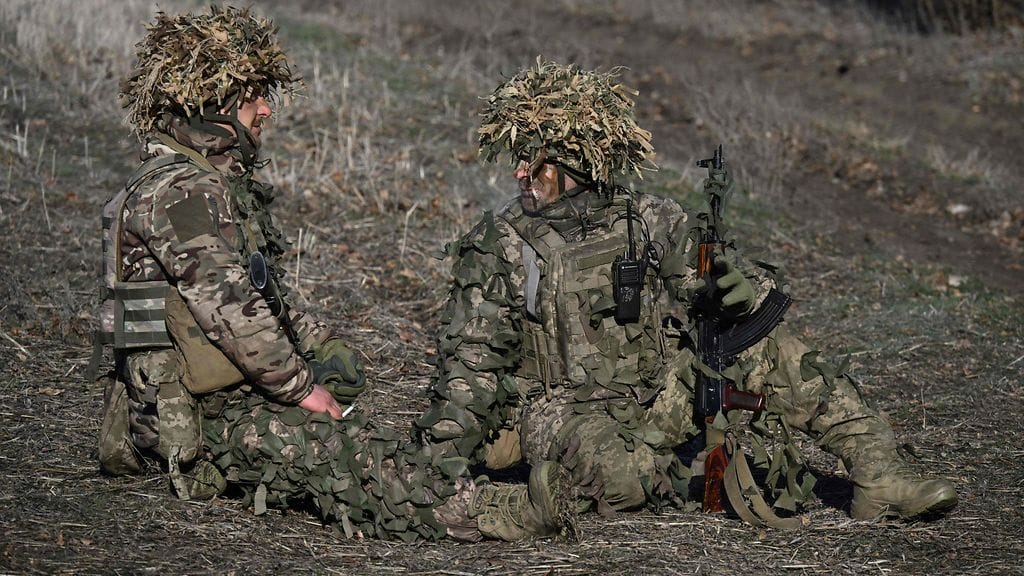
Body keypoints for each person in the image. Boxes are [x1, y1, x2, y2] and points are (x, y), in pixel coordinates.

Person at [94, 6, 571, 542]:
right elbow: (232, 311)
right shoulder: (181, 193)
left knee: (340, 394)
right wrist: (300, 389)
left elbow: (256, 296)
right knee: (338, 456)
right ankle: (496, 510)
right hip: (199, 417)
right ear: (215, 105)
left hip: (217, 393)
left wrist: (316, 348)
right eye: (253, 96)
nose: (266, 111)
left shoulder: (195, 183)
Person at [414, 60, 958, 525]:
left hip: (656, 389)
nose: (519, 174)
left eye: (534, 163)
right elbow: (471, 367)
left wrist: (739, 287)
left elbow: (707, 270)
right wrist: (443, 466)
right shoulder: (499, 244)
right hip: (557, 408)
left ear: (575, 165)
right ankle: (692, 470)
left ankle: (880, 473)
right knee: (620, 477)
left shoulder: (648, 219)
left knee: (766, 345)